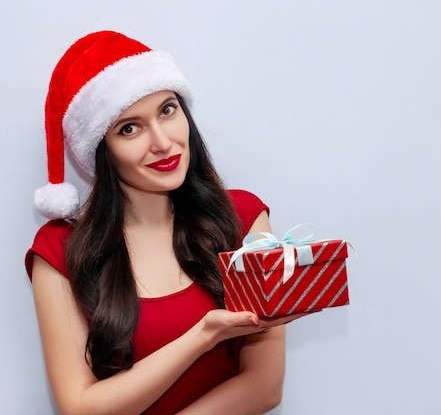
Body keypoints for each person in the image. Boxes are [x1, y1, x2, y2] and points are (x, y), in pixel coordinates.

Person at [25, 30, 307, 415]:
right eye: (130, 128)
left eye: (167, 110)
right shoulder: (59, 250)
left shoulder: (243, 218)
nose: (162, 141)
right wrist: (202, 336)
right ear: (101, 150)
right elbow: (80, 407)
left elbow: (264, 387)